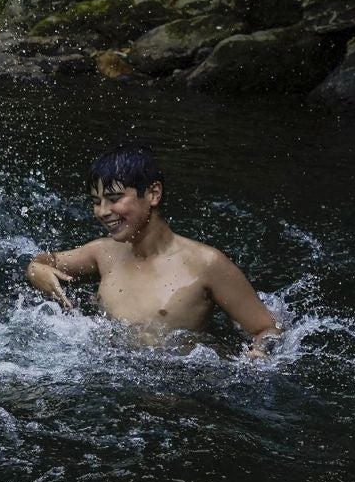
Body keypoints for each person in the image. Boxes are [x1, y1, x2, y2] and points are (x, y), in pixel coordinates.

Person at [24, 145, 283, 355]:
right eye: (96, 202)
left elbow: (265, 329)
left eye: (114, 199)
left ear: (153, 194)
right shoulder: (103, 253)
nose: (102, 212)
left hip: (175, 394)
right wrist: (36, 271)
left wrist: (259, 356)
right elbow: (44, 261)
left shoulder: (206, 264)